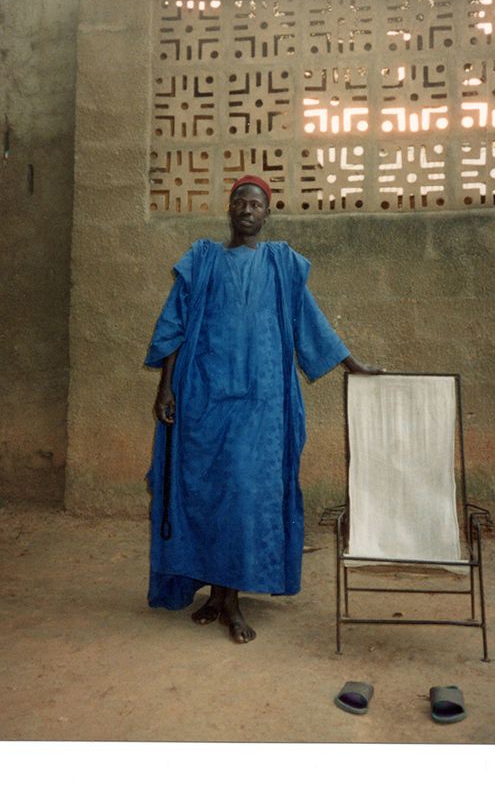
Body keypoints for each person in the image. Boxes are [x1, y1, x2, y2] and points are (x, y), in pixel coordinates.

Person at [144, 175, 382, 643]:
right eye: (240, 202)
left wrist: (352, 364)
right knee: (208, 496)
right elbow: (174, 323)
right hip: (203, 402)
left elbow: (310, 322)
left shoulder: (280, 266)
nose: (248, 210)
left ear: (267, 214)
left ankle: (230, 602)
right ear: (229, 210)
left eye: (257, 204)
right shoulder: (204, 260)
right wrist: (166, 389)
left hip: (261, 409)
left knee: (244, 497)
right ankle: (215, 594)